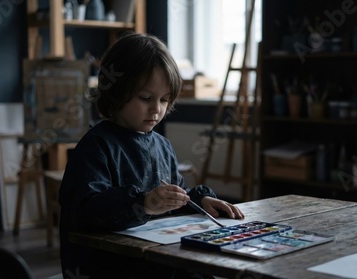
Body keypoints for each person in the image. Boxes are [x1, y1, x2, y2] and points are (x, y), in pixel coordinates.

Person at [59, 32, 245, 279]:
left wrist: (198, 203)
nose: (156, 109)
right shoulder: (96, 146)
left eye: (165, 100)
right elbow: (85, 211)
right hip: (114, 266)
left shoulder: (162, 145)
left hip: (159, 256)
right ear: (115, 92)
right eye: (145, 98)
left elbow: (175, 198)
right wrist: (143, 203)